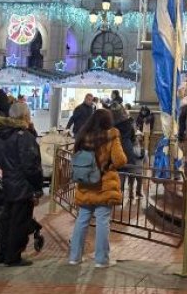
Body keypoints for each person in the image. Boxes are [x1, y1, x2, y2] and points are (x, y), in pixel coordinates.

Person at [69, 108, 127, 267]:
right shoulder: (111, 135)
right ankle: (101, 260)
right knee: (102, 221)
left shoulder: (83, 135)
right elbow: (120, 160)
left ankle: (74, 257)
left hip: (85, 183)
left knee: (82, 220)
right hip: (104, 185)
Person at [0, 102, 44, 266]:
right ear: (25, 116)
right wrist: (38, 187)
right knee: (19, 222)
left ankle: (1, 253)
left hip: (9, 181)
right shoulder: (24, 137)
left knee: (7, 220)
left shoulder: (4, 133)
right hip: (22, 185)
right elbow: (30, 166)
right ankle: (13, 256)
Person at [110, 102, 142, 198]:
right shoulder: (128, 123)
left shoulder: (111, 124)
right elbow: (133, 137)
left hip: (115, 149)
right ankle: (126, 192)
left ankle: (117, 194)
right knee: (127, 171)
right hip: (127, 149)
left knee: (118, 174)